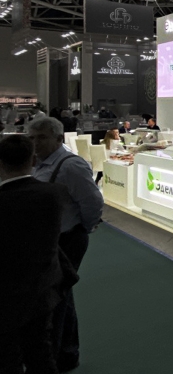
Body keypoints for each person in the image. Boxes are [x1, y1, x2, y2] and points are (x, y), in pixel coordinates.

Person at [29, 118, 104, 372]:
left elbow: (92, 202)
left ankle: (55, 355)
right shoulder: (38, 164)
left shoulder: (70, 166)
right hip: (50, 239)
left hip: (68, 239)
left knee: (55, 297)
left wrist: (84, 227)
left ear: (59, 139)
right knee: (62, 293)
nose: (35, 143)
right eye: (32, 138)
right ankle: (67, 354)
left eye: (42, 138)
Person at [0, 135, 78, 374]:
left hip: (6, 291)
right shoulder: (54, 194)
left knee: (7, 355)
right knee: (40, 351)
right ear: (33, 160)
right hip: (43, 287)